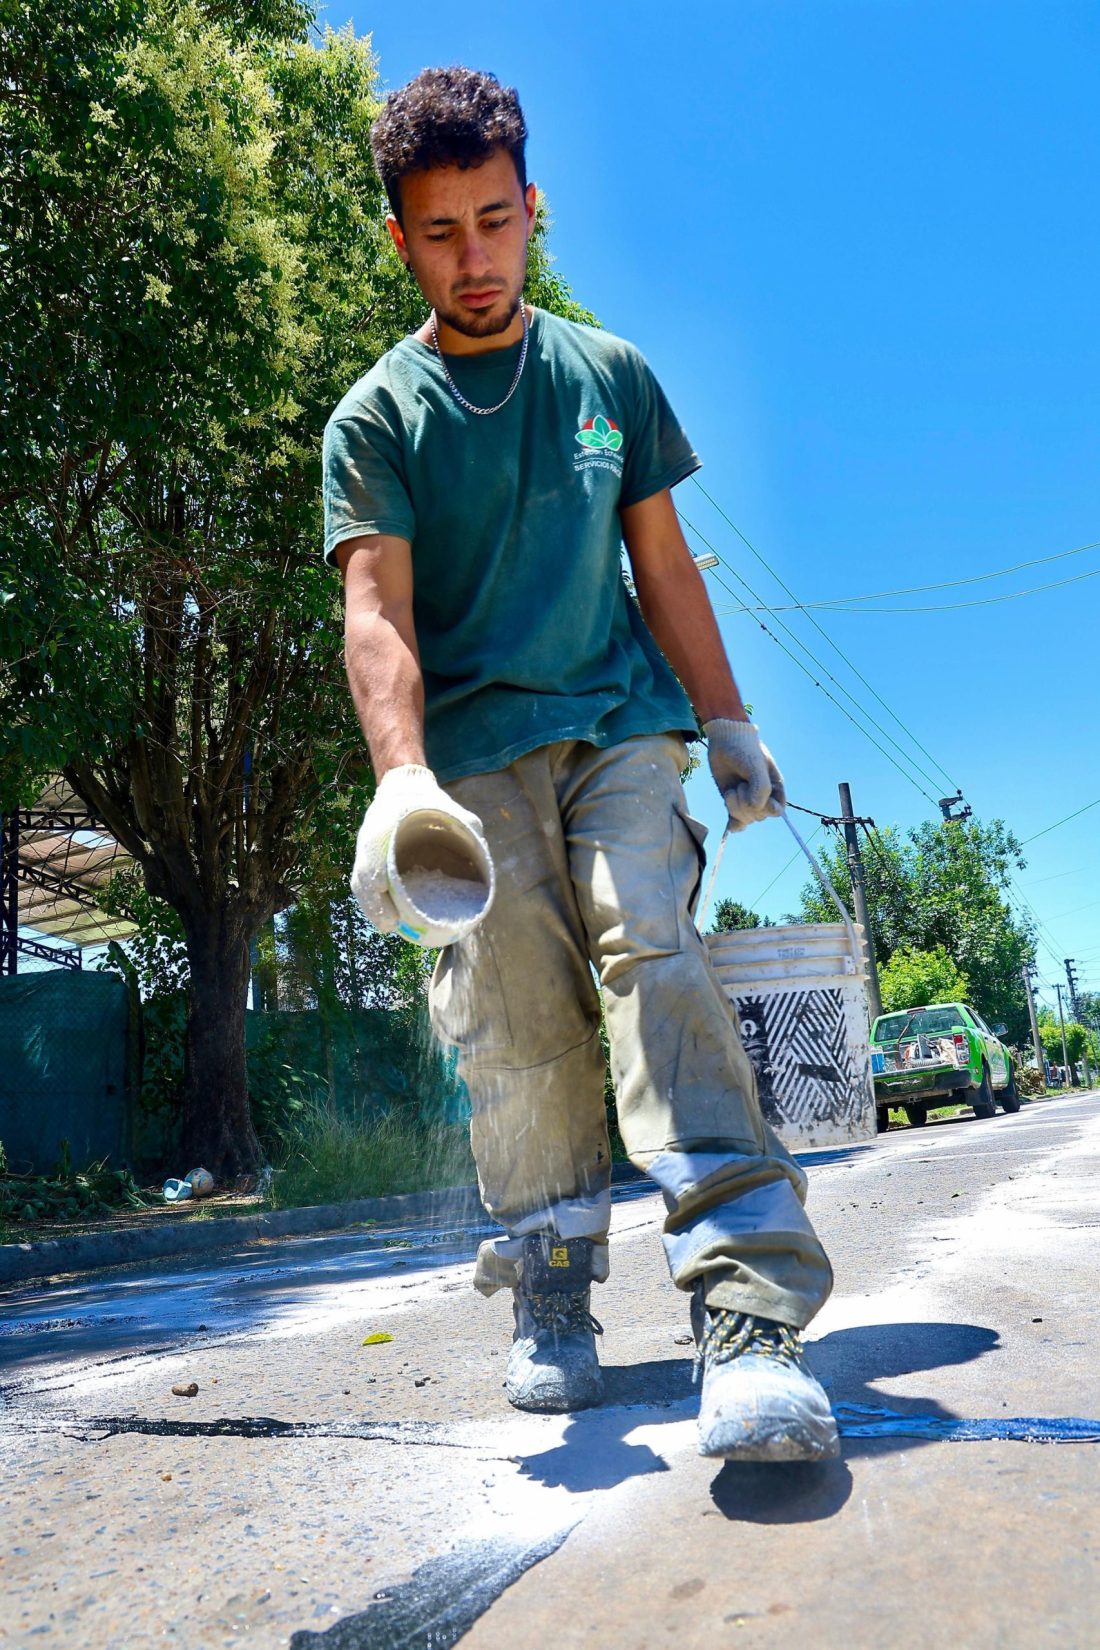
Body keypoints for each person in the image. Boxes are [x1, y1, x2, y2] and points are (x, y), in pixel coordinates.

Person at [324, 67, 837, 1462]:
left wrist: (726, 719)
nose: (474, 257)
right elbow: (377, 612)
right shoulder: (379, 417)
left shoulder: (608, 379)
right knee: (511, 1004)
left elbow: (661, 563)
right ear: (401, 240)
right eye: (441, 232)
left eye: (496, 220)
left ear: (533, 207)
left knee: (650, 940)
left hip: (618, 720)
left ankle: (748, 1309)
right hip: (472, 754)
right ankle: (551, 1278)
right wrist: (401, 779)